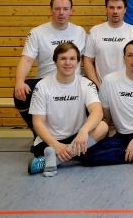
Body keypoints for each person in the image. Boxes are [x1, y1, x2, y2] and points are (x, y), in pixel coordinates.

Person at [27, 42, 108, 177]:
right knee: (92, 156)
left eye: (72, 59)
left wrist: (84, 131)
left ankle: (53, 160)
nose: (67, 63)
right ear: (55, 61)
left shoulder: (86, 83)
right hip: (49, 142)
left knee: (103, 127)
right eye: (63, 58)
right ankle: (64, 155)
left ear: (77, 62)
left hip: (77, 139)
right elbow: (37, 122)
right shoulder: (42, 86)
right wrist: (55, 144)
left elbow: (97, 111)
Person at [13, 0, 86, 136]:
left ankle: (80, 134)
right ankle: (39, 133)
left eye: (65, 9)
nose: (61, 13)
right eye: (57, 9)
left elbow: (88, 60)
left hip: (73, 82)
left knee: (94, 90)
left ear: (71, 11)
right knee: (21, 94)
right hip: (45, 82)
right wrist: (19, 81)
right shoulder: (37, 32)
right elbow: (27, 59)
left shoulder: (80, 32)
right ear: (51, 10)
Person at [83, 0, 133, 89]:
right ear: (106, 9)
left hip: (128, 88)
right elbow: (88, 60)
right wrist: (97, 84)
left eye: (119, 8)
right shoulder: (95, 31)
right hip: (102, 88)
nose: (115, 11)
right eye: (111, 8)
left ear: (125, 10)